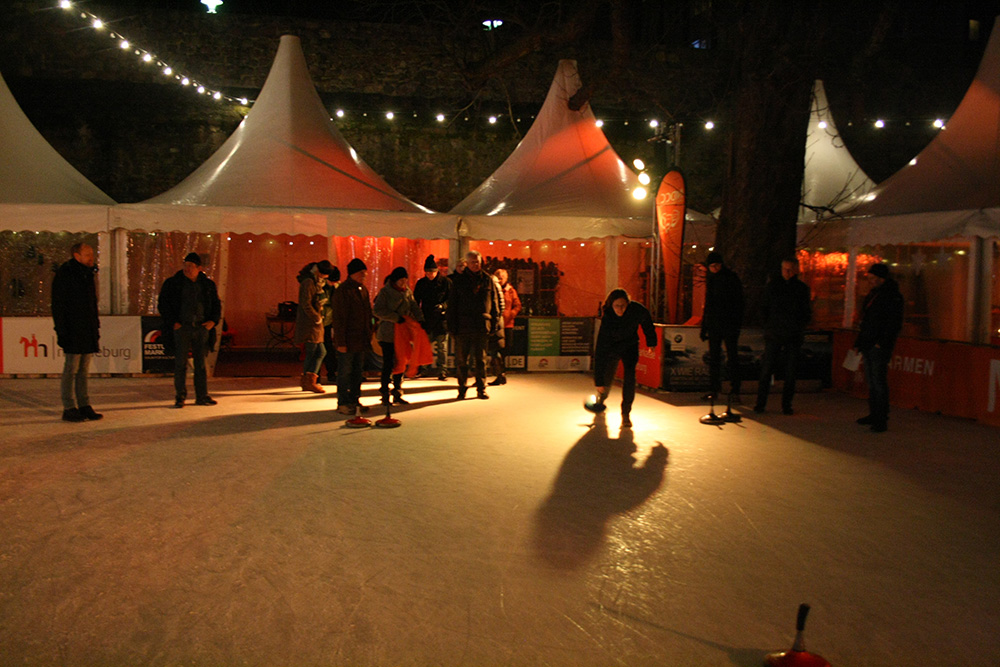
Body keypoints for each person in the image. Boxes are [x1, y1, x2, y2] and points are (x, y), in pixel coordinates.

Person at [158, 252, 222, 408]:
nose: (187, 269)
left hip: (201, 327)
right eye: (185, 265)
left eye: (191, 266)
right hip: (182, 328)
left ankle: (202, 395)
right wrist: (173, 322)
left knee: (200, 364)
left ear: (199, 268)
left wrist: (213, 321)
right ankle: (180, 396)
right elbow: (163, 304)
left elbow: (216, 304)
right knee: (180, 363)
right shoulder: (173, 283)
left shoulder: (207, 285)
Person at [754, 256, 812, 415]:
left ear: (796, 270)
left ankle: (786, 404)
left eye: (790, 269)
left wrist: (799, 327)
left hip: (792, 334)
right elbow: (764, 308)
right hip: (775, 333)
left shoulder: (801, 289)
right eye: (785, 269)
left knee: (790, 372)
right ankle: (761, 403)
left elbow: (805, 311)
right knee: (767, 370)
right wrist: (768, 326)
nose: (787, 272)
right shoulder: (773, 286)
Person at [51, 242, 102, 422]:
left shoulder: (88, 274)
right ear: (77, 256)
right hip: (72, 329)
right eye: (87, 255)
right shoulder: (65, 274)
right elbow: (58, 305)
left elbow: (91, 303)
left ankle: (84, 404)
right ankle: (69, 407)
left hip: (87, 329)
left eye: (92, 254)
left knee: (83, 369)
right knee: (71, 368)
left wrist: (94, 326)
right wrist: (62, 331)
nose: (91, 258)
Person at [592, 289, 657, 428]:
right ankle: (601, 399)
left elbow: (647, 323)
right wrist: (598, 381)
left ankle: (626, 413)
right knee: (607, 377)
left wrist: (651, 342)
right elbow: (600, 350)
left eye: (623, 306)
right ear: (611, 305)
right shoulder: (608, 318)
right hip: (612, 347)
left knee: (630, 378)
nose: (620, 309)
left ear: (628, 303)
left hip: (630, 346)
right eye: (617, 306)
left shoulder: (637, 310)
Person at [853, 263, 904, 433]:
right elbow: (866, 321)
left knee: (878, 381)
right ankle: (875, 413)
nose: (870, 281)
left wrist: (881, 343)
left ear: (882, 278)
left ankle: (881, 418)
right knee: (872, 381)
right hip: (869, 343)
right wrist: (859, 343)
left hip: (878, 345)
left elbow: (893, 324)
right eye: (869, 278)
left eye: (873, 278)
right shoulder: (874, 294)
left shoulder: (891, 297)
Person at [448, 250, 500, 400]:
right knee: (462, 361)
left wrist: (494, 323)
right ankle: (462, 388)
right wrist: (452, 327)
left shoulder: (487, 279)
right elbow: (452, 305)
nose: (475, 265)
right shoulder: (459, 280)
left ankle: (481, 388)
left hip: (481, 325)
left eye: (477, 262)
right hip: (463, 326)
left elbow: (494, 302)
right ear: (467, 263)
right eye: (472, 262)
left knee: (481, 360)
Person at [373, 267, 424, 404]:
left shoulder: (407, 291)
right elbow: (378, 310)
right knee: (389, 363)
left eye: (405, 280)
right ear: (395, 280)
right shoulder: (385, 292)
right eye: (401, 280)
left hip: (403, 333)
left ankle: (397, 390)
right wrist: (395, 318)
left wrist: (420, 319)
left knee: (401, 362)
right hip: (388, 334)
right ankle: (385, 391)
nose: (403, 283)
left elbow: (414, 306)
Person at [330, 258, 373, 415]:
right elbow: (339, 318)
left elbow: (368, 313)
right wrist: (341, 342)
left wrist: (369, 331)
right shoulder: (343, 291)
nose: (364, 275)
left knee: (357, 372)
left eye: (365, 272)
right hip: (347, 339)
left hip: (360, 339)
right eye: (361, 273)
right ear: (353, 273)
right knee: (344, 372)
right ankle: (343, 402)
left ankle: (355, 400)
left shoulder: (362, 289)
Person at [700, 250, 744, 400]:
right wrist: (704, 327)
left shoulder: (731, 278)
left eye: (717, 265)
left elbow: (739, 302)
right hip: (715, 324)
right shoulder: (712, 279)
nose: (715, 269)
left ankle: (735, 389)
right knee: (715, 358)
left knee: (732, 357)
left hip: (729, 324)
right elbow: (709, 304)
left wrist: (736, 323)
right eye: (712, 266)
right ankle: (714, 389)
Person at [294, 260, 334, 394]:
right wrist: (316, 317)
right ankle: (309, 381)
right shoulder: (309, 283)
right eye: (325, 274)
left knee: (318, 351)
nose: (326, 277)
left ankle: (309, 380)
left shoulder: (315, 282)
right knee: (315, 352)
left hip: (315, 324)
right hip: (310, 324)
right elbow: (306, 303)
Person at [413, 254, 451, 380]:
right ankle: (424, 368)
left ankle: (442, 370)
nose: (430, 275)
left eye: (432, 272)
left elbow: (452, 299)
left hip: (441, 319)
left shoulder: (446, 283)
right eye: (428, 272)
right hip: (426, 318)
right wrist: (418, 316)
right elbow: (415, 301)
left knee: (441, 347)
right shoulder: (421, 283)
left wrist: (443, 306)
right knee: (425, 346)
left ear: (437, 271)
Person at [488, 268, 521, 386]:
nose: (500, 280)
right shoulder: (492, 289)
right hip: (496, 324)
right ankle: (499, 373)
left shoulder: (511, 291)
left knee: (505, 350)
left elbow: (517, 305)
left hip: (507, 324)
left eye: (502, 278)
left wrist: (511, 315)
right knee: (496, 350)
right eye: (498, 277)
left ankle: (501, 372)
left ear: (506, 278)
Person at [320, 266, 341, 385]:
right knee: (322, 348)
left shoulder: (337, 287)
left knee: (329, 348)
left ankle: (332, 372)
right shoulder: (321, 287)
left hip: (331, 321)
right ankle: (319, 374)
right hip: (323, 321)